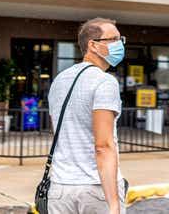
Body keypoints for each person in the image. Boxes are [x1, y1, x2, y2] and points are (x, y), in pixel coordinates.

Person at [47, 17, 127, 214]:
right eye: (114, 39)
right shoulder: (104, 82)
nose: (120, 45)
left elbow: (58, 131)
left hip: (59, 188)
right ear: (93, 45)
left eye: (121, 39)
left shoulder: (59, 80)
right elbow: (103, 147)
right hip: (94, 190)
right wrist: (114, 204)